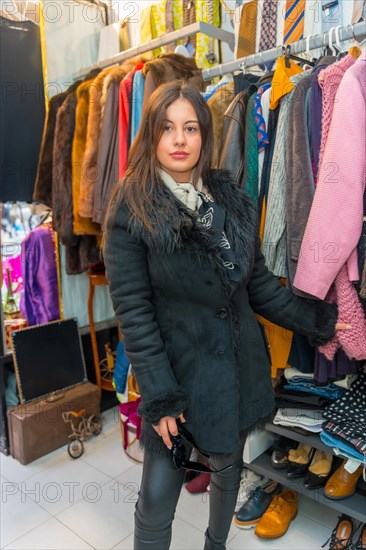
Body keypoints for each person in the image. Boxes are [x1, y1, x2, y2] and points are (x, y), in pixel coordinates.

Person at [103, 81, 349, 550]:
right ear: (151, 135)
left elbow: (258, 289)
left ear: (204, 135)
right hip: (177, 375)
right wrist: (160, 395)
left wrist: (321, 321)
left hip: (237, 370)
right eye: (167, 128)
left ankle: (216, 545)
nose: (179, 140)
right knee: (156, 501)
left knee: (228, 469)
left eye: (190, 128)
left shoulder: (228, 199)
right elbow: (134, 313)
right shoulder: (132, 207)